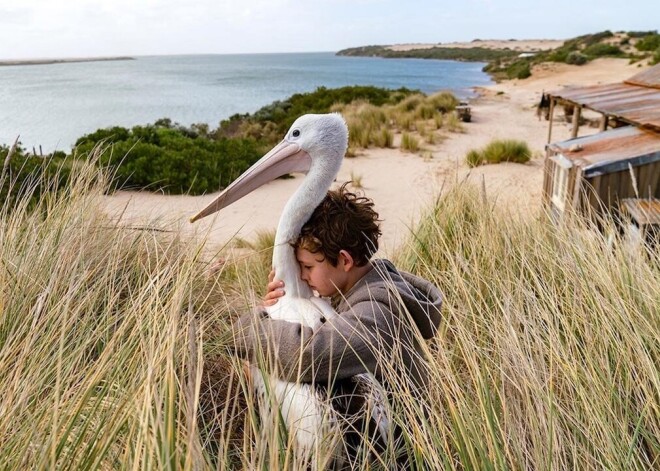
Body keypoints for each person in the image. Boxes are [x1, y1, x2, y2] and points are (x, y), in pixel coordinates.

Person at [232, 183, 443, 467]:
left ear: (344, 260)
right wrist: (276, 305)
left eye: (308, 267)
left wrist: (251, 325)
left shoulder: (377, 313)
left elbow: (306, 354)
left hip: (399, 456)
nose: (303, 276)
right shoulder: (363, 289)